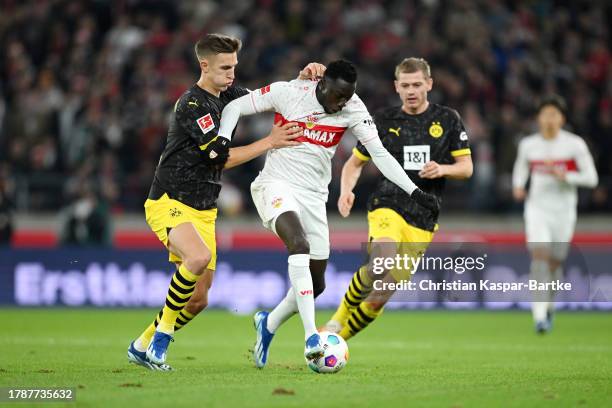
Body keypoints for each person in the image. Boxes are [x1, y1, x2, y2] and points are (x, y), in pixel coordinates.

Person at [217, 59, 440, 368]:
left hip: (313, 197)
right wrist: (222, 141)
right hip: (275, 184)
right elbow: (233, 108)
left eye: (346, 98)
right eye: (337, 97)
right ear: (321, 85)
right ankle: (312, 336)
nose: (341, 104)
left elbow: (380, 155)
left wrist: (414, 191)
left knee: (316, 283)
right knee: (298, 244)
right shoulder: (290, 92)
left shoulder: (353, 108)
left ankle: (267, 324)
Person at [127, 33, 325, 370]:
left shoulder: (229, 93)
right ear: (204, 65)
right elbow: (219, 156)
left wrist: (301, 81)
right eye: (224, 67)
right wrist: (270, 141)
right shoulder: (192, 104)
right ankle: (161, 341)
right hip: (169, 198)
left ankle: (141, 344)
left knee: (198, 300)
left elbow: (270, 97)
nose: (232, 73)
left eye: (234, 66)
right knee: (198, 256)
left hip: (204, 208)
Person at [322, 57, 473, 340]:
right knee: (381, 263)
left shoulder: (448, 119)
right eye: (405, 85)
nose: (411, 90)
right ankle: (336, 320)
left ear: (429, 84)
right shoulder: (384, 121)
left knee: (382, 294)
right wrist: (346, 190)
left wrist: (443, 169)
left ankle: (338, 341)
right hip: (388, 205)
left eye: (417, 84)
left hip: (424, 218)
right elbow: (354, 164)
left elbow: (466, 168)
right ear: (396, 87)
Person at [512, 95, 598, 334]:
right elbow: (520, 168)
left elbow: (592, 178)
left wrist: (566, 176)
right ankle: (539, 316)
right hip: (537, 209)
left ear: (562, 118)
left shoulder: (574, 145)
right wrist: (518, 186)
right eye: (545, 114)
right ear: (538, 118)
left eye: (554, 114)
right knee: (539, 258)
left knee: (555, 262)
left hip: (563, 211)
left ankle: (549, 306)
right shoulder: (529, 145)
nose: (549, 119)